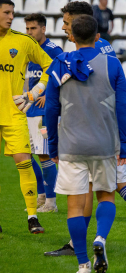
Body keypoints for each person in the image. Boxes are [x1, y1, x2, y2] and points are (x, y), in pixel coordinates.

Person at [44, 0, 126, 257]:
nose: (63, 27)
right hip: (105, 131)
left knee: (103, 188)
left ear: (78, 23)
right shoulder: (103, 48)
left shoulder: (94, 51)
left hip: (97, 129)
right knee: (114, 185)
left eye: (66, 22)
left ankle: (82, 246)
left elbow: (100, 90)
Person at [45, 15, 126, 273]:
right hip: (105, 143)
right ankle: (100, 239)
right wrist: (124, 145)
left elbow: (51, 109)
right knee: (106, 195)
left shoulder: (59, 64)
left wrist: (53, 145)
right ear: (97, 37)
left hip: (71, 144)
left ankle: (82, 266)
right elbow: (123, 107)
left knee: (74, 205)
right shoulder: (113, 64)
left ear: (71, 36)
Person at [0, 0, 52, 233]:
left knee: (24, 162)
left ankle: (33, 217)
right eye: (6, 13)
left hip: (13, 113)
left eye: (12, 13)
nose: (11, 17)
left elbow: (50, 66)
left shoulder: (23, 41)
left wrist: (34, 92)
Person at [25, 13, 63, 213]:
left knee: (44, 155)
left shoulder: (53, 50)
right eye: (27, 29)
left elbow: (63, 75)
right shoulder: (28, 50)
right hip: (30, 109)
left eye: (33, 28)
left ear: (43, 29)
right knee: (26, 154)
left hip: (45, 111)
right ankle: (41, 195)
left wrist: (49, 95)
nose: (29, 32)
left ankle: (51, 202)